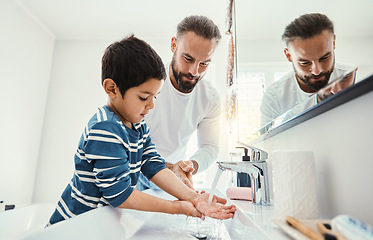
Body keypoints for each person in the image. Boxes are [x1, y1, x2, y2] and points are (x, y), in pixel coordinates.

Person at [47, 35, 236, 226]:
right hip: (72, 226)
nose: (151, 105)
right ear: (112, 89)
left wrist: (193, 197)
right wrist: (177, 207)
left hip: (98, 224)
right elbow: (120, 195)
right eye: (144, 97)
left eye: (155, 96)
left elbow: (153, 165)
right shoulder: (105, 129)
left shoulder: (137, 125)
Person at [136, 15, 222, 191]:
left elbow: (210, 146)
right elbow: (127, 141)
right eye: (188, 59)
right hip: (134, 174)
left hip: (170, 179)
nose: (194, 71)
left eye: (204, 63)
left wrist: (191, 165)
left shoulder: (210, 98)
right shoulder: (144, 82)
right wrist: (169, 168)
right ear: (174, 44)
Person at [260, 13, 356, 126]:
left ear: (333, 43)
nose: (317, 71)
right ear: (288, 55)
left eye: (324, 58)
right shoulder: (274, 97)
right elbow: (269, 142)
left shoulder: (353, 75)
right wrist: (317, 101)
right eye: (304, 62)